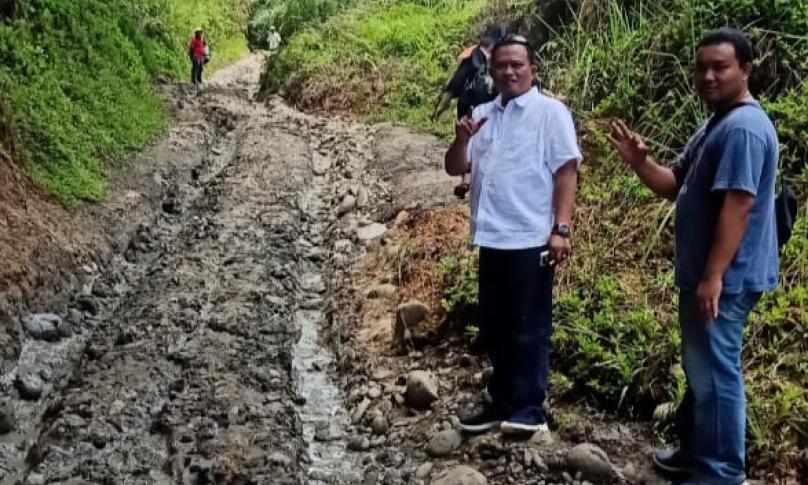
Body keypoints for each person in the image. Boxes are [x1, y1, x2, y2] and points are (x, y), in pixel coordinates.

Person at [609, 28, 779, 485]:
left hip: (727, 277)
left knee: (717, 372)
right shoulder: (717, 122)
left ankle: (722, 471)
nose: (708, 76)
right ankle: (697, 452)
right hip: (710, 274)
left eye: (720, 67)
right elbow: (674, 184)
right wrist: (640, 163)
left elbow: (739, 204)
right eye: (701, 67)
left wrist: (713, 275)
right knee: (701, 367)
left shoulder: (743, 128)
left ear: (745, 70)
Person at [444, 34, 582, 435]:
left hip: (530, 236)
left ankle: (529, 409)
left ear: (532, 70)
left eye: (517, 65)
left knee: (529, 326)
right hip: (491, 236)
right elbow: (455, 167)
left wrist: (561, 228)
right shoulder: (482, 113)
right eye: (501, 65)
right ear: (492, 71)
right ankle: (501, 402)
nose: (509, 72)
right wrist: (462, 139)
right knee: (495, 325)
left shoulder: (550, 113)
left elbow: (566, 172)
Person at [433, 23, 508, 199]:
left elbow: (455, 83)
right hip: (492, 105)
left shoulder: (472, 55)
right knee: (486, 139)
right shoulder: (504, 55)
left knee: (466, 138)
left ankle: (467, 177)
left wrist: (440, 108)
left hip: (467, 105)